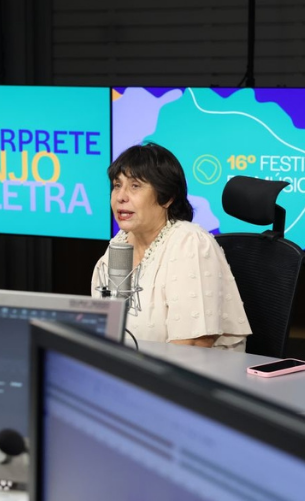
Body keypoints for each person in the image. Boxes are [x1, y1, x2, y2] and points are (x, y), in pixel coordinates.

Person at [91, 142, 251, 350]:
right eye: (117, 185)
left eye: (135, 186)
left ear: (166, 197)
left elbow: (194, 344)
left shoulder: (190, 243)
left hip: (187, 377)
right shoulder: (117, 246)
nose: (121, 196)